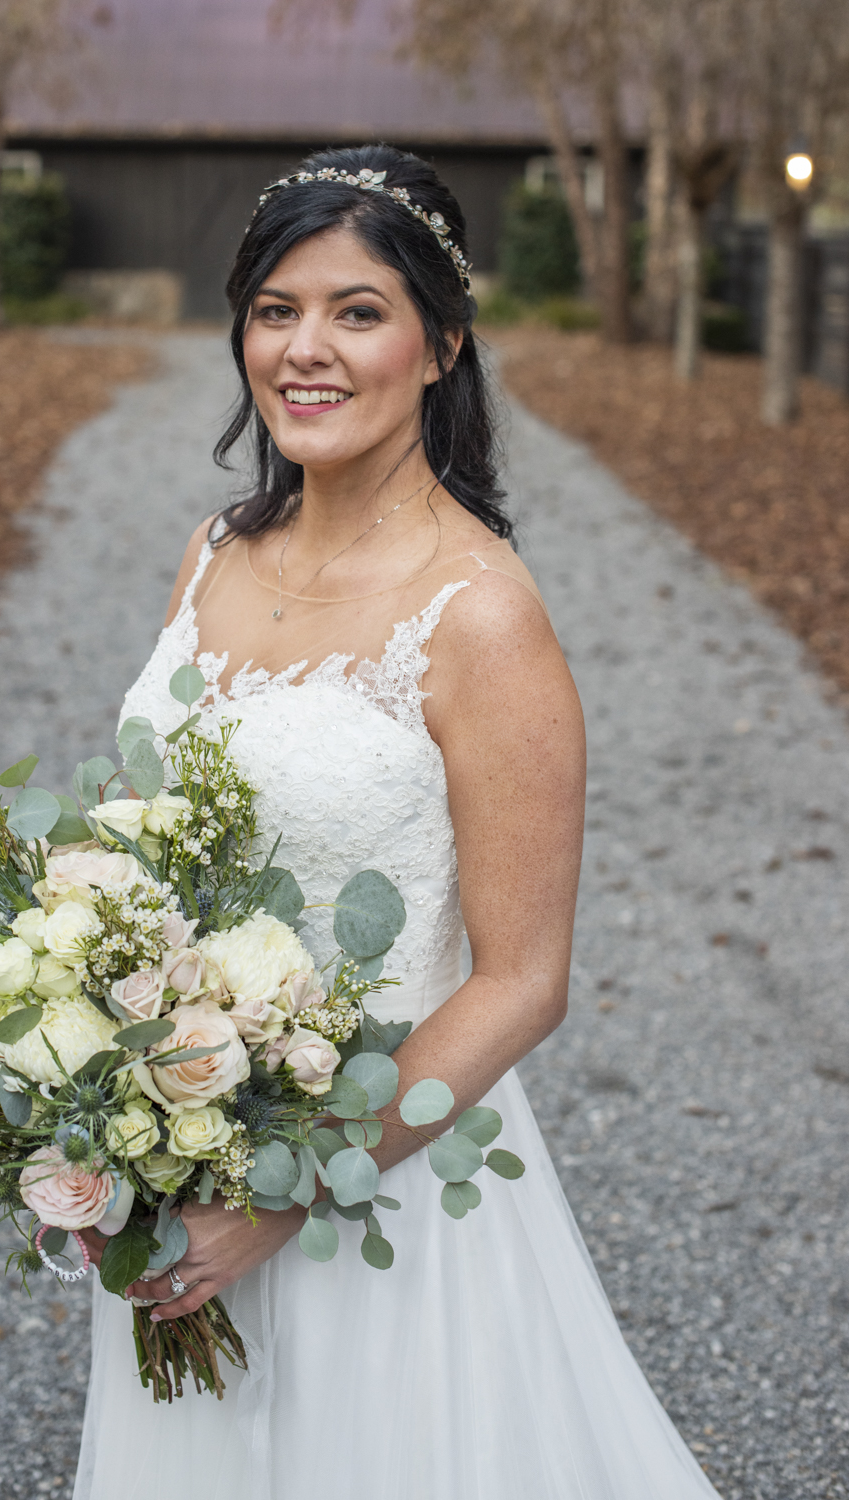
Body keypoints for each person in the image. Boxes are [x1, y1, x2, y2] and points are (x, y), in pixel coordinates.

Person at [73, 144, 720, 1500]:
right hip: (177, 1158)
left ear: (442, 346)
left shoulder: (479, 614)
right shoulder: (213, 551)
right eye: (274, 308)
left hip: (387, 1186)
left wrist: (281, 1196)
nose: (306, 349)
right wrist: (82, 1069)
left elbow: (525, 982)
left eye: (358, 311)